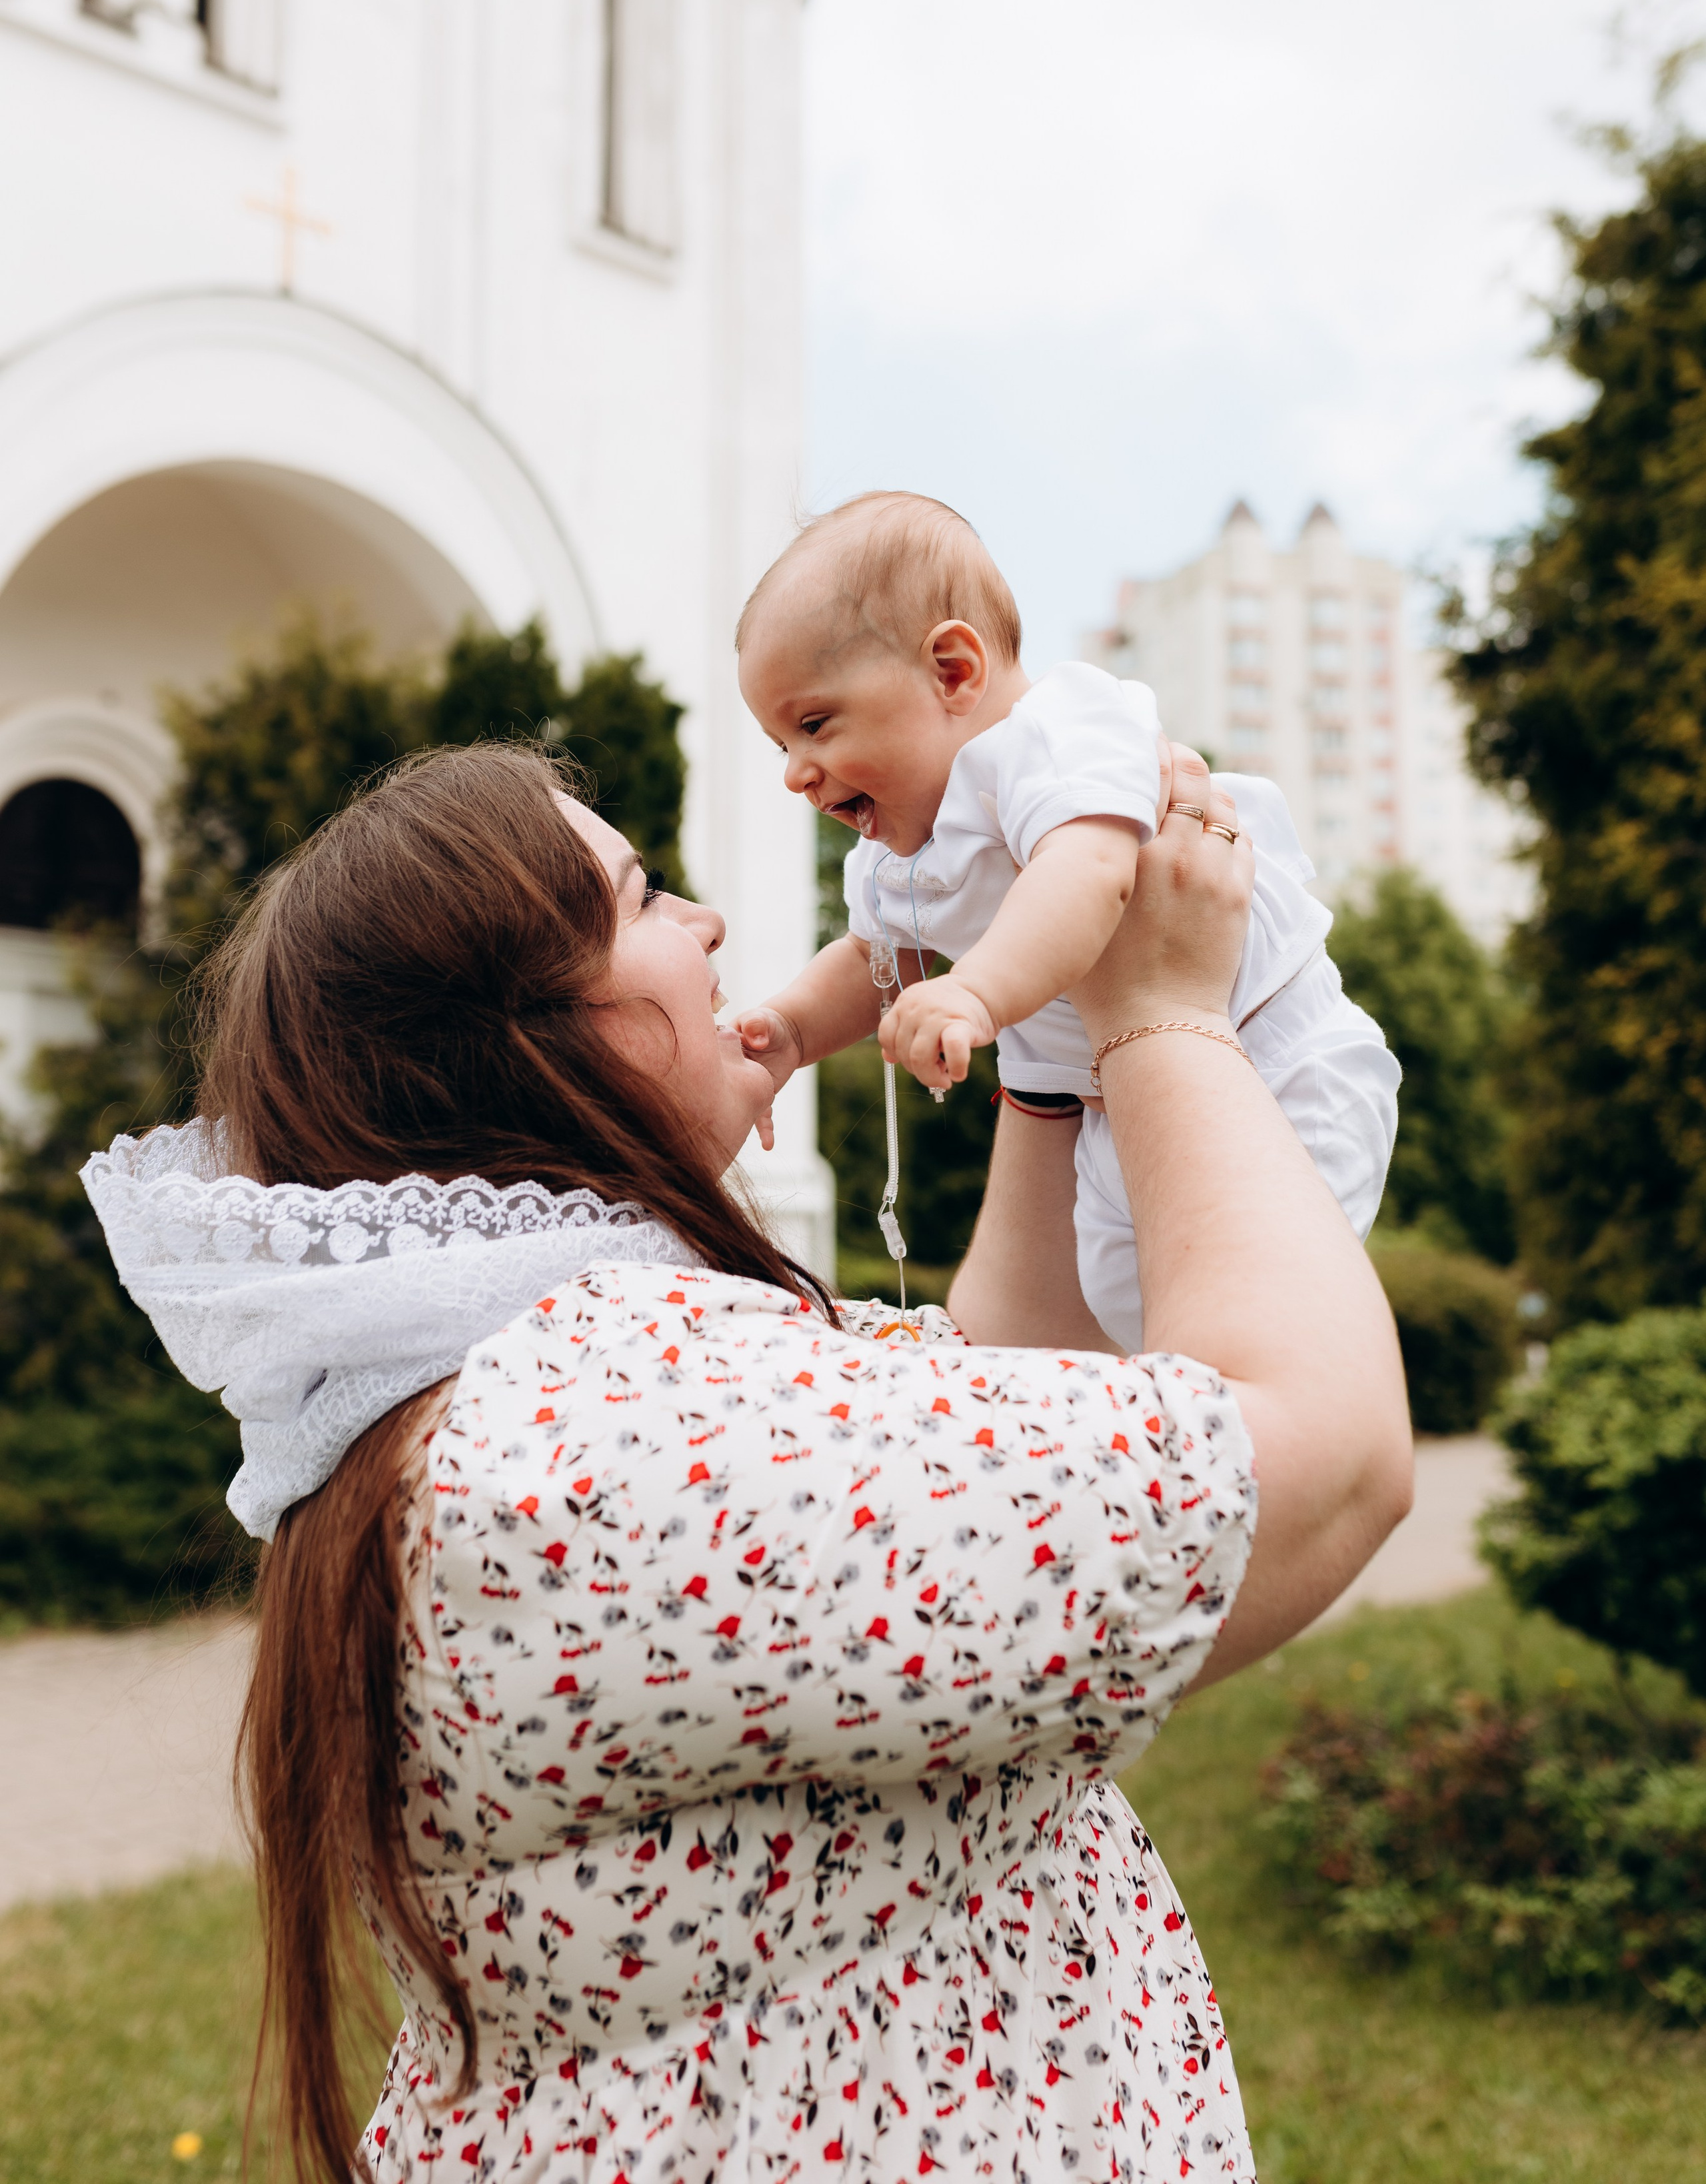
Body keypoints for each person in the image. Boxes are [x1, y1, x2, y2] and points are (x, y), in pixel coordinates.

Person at [83, 740, 1409, 2184]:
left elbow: (1001, 1409)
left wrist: (1044, 1061)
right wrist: (1161, 1009)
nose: (708, 928)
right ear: (527, 1042)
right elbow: (1316, 1455)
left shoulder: (552, 1396)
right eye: (641, 895)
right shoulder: (597, 1448)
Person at [731, 491, 1399, 1348]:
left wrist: (973, 991)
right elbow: (871, 959)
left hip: (1274, 1060)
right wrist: (789, 1029)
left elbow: (1089, 877)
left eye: (814, 725)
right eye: (781, 745)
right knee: (1135, 1319)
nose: (796, 773)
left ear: (952, 672)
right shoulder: (899, 853)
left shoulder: (1054, 736)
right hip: (1114, 1102)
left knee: (1260, 1307)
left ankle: (1288, 1407)